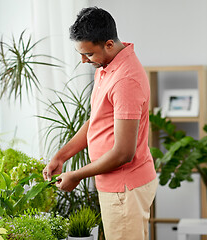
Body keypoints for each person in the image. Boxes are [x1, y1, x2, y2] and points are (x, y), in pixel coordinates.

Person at [42, 6, 158, 240]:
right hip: (116, 186)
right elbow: (96, 121)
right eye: (81, 54)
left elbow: (124, 152)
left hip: (124, 188)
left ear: (108, 44)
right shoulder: (107, 66)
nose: (84, 61)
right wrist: (61, 156)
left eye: (89, 54)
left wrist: (76, 175)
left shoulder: (125, 80)